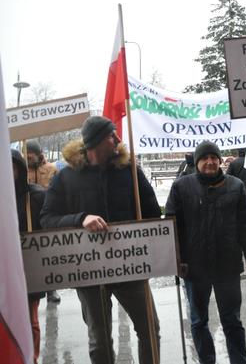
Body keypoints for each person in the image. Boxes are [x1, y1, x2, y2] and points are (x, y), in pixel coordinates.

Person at [40, 116, 161, 364]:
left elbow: (152, 213)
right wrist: (80, 218)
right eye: (111, 135)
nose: (117, 139)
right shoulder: (66, 177)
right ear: (94, 143)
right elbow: (47, 219)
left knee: (150, 330)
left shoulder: (130, 171)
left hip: (131, 269)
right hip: (89, 272)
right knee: (100, 341)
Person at [165, 141, 246, 364]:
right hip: (194, 267)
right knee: (198, 322)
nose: (209, 162)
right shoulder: (181, 186)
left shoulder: (235, 186)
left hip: (227, 265)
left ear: (219, 161)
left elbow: (244, 225)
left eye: (213, 158)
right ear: (197, 161)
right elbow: (172, 225)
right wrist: (176, 259)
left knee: (232, 321)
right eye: (204, 158)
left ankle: (239, 360)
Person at [13, 149, 46, 364]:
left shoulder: (35, 196)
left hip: (29, 268)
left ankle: (31, 358)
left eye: (13, 167)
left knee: (31, 320)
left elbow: (48, 227)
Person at [25, 139, 61, 304]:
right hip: (29, 217)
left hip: (47, 215)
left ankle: (51, 289)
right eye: (26, 156)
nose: (28, 159)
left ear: (39, 155)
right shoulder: (22, 169)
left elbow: (59, 191)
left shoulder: (51, 169)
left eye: (31, 157)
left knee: (49, 253)